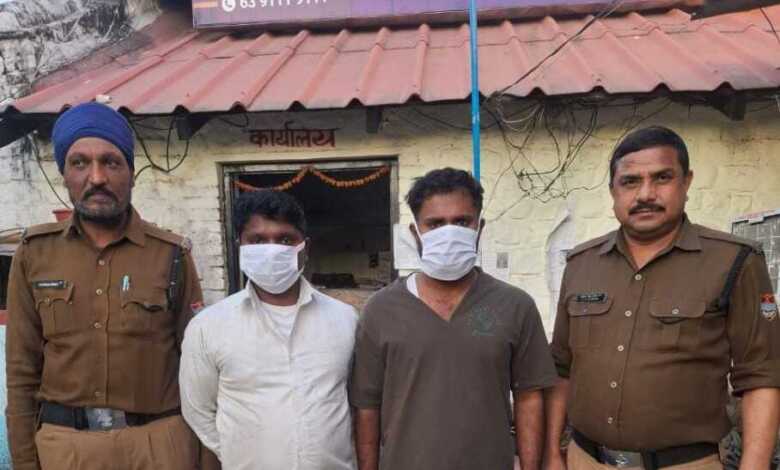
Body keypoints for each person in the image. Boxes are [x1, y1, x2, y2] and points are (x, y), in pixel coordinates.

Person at [545, 126, 780, 470]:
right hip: (585, 461)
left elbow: (761, 376)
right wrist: (553, 452)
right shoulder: (581, 264)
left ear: (686, 182)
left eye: (662, 178)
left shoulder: (734, 261)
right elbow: (561, 367)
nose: (645, 194)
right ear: (612, 191)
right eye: (630, 182)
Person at [6, 102, 216, 470]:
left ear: (132, 174)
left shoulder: (171, 255)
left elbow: (201, 371)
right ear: (64, 174)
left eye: (111, 162)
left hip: (158, 448)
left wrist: (207, 460)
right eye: (80, 163)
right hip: (67, 451)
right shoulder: (34, 254)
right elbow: (22, 373)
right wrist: (25, 462)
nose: (97, 177)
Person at [350, 167, 557, 470]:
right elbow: (367, 407)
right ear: (415, 233)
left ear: (479, 228)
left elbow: (529, 397)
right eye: (434, 224)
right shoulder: (381, 310)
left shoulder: (515, 306)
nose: (449, 234)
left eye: (462, 222)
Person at [180, 189, 358, 470]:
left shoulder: (345, 319)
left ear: (305, 248)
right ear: (240, 245)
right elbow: (198, 410)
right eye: (258, 240)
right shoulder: (208, 326)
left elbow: (355, 401)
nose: (272, 250)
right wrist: (238, 453)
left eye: (285, 239)